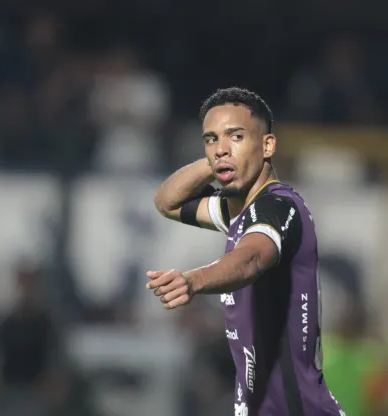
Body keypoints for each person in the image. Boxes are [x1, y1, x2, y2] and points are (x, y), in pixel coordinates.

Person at [147, 87, 345, 416]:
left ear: (267, 145)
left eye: (236, 136)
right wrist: (221, 158)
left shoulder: (280, 208)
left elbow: (250, 259)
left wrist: (193, 280)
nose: (221, 148)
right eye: (211, 139)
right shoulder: (237, 212)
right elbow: (166, 201)